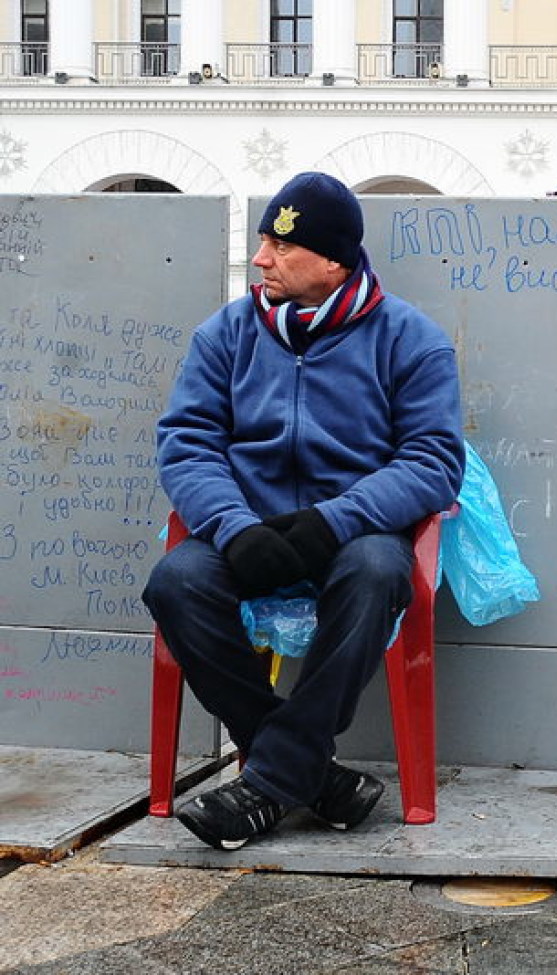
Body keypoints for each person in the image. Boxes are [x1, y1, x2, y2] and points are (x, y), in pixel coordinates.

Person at [143, 172, 465, 851]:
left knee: (381, 571)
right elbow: (186, 443)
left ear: (334, 261)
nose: (261, 258)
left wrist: (334, 521)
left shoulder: (411, 338)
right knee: (175, 579)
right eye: (262, 241)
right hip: (247, 531)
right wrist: (234, 528)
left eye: (281, 247)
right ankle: (311, 775)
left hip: (351, 537)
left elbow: (434, 460)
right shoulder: (226, 334)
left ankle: (268, 780)